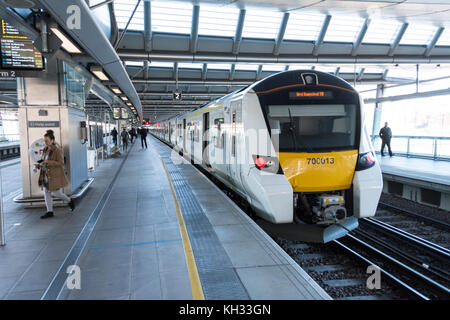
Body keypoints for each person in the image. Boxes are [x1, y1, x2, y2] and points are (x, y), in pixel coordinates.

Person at [37, 130, 75, 219]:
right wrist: (40, 164)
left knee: (57, 193)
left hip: (54, 175)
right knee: (46, 192)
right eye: (44, 140)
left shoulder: (57, 150)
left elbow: (60, 163)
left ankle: (70, 200)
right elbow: (44, 160)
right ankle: (49, 211)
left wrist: (47, 162)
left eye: (47, 140)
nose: (45, 142)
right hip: (46, 174)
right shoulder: (45, 150)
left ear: (52, 140)